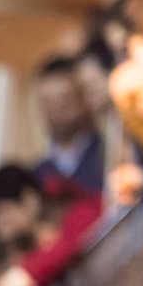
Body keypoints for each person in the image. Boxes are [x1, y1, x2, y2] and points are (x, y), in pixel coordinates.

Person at [32, 55, 106, 198]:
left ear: (84, 98)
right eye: (48, 103)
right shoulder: (38, 175)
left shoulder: (109, 152)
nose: (57, 111)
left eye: (65, 101)